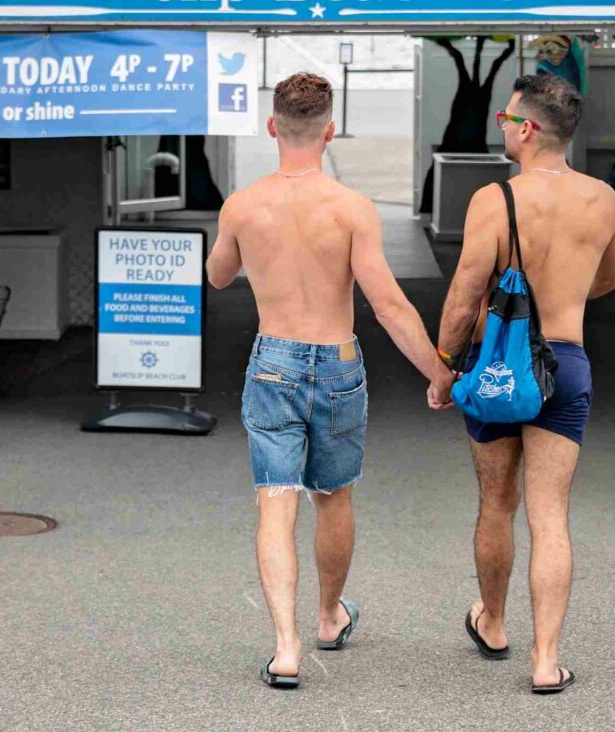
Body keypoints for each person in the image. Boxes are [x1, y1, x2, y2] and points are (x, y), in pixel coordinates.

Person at [206, 72, 455, 688]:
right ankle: (326, 615)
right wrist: (439, 373)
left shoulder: (242, 205)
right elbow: (390, 305)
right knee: (334, 496)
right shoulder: (351, 209)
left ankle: (285, 649)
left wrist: (238, 242)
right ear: (329, 129)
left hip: (272, 361)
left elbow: (217, 276)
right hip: (337, 361)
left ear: (272, 128)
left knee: (275, 499)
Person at [435, 74, 615, 694]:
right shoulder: (603, 200)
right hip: (563, 361)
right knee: (551, 515)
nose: (502, 127)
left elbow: (465, 299)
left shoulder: (494, 200)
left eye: (505, 118)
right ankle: (546, 662)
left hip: (497, 363)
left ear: (528, 128)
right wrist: (561, 298)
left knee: (497, 503)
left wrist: (445, 368)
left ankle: (492, 623)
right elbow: (611, 278)